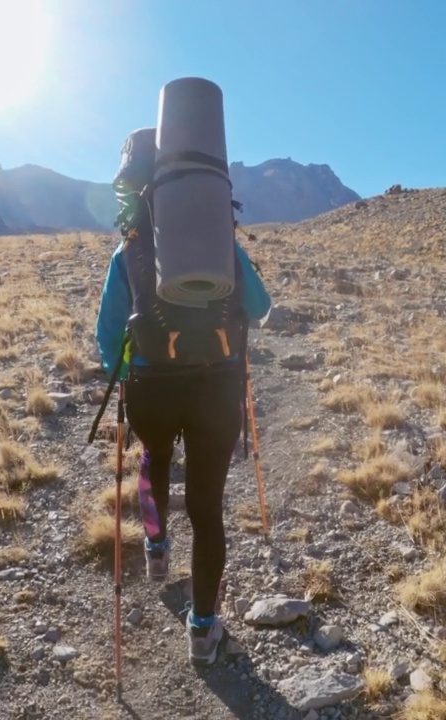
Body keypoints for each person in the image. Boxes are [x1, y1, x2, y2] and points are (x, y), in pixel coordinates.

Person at [94, 127, 272, 667]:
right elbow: (260, 307)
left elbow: (108, 345)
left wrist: (135, 367)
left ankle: (154, 547)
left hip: (152, 391)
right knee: (207, 508)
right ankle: (202, 629)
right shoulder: (222, 248)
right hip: (217, 389)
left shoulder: (128, 254)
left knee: (154, 457)